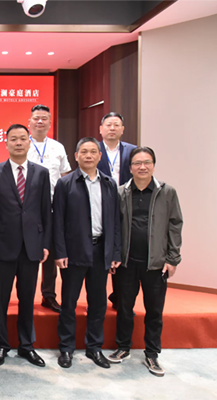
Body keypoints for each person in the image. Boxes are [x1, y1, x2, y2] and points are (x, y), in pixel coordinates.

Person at [107, 147, 183, 377]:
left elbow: (175, 224)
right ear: (130, 168)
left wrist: (173, 258)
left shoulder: (167, 192)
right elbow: (113, 226)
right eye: (137, 163)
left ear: (153, 165)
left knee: (154, 311)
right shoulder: (121, 192)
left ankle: (152, 353)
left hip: (156, 264)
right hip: (127, 262)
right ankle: (123, 347)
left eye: (147, 162)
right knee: (124, 308)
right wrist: (114, 255)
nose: (142, 167)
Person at [0, 124, 52, 367]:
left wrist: (45, 243)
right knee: (1, 299)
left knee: (27, 298)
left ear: (29, 142)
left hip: (31, 246)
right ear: (6, 143)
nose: (19, 142)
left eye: (23, 138)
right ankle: (1, 344)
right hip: (2, 246)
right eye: (14, 139)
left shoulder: (42, 173)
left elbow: (46, 211)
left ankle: (26, 345)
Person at [53, 137, 121, 370]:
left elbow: (115, 222)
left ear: (100, 156)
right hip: (73, 251)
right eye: (84, 151)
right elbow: (57, 220)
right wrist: (60, 251)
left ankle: (94, 347)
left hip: (101, 250)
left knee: (98, 302)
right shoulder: (65, 184)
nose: (89, 155)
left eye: (93, 151)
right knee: (69, 302)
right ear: (76, 156)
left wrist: (115, 252)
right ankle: (66, 348)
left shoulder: (109, 184)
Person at [26, 104, 72, 314]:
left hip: (53, 207)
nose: (40, 121)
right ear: (29, 122)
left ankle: (49, 294)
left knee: (51, 251)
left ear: (50, 123)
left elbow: (65, 176)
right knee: (28, 252)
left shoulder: (57, 147)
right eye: (36, 118)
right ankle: (26, 294)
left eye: (44, 118)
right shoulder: (23, 145)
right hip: (29, 208)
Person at [95, 112, 137, 310]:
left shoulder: (132, 151)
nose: (112, 128)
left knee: (123, 249)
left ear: (122, 129)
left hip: (126, 205)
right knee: (102, 250)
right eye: (108, 125)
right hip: (99, 205)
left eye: (116, 125)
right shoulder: (93, 149)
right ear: (100, 129)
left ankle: (119, 297)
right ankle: (98, 299)